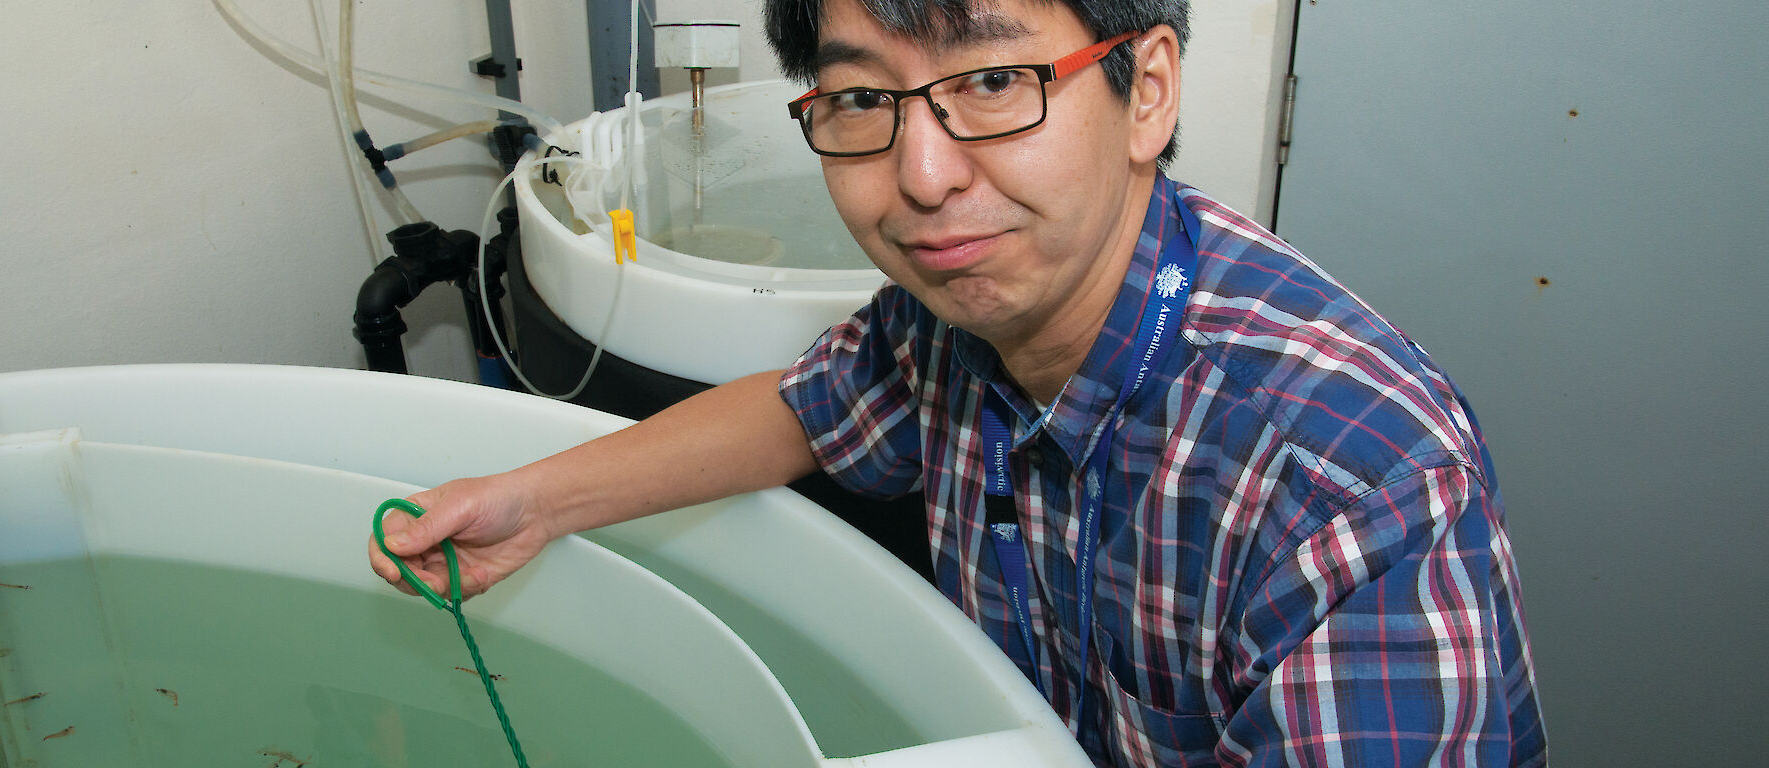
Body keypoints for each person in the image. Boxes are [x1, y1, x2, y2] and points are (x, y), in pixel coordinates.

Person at [370, 0, 1547, 763]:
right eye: (865, 99)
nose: (921, 177)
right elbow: (800, 413)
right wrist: (534, 502)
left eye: (991, 83)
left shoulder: (1355, 487)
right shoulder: (957, 321)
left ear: (1146, 91)